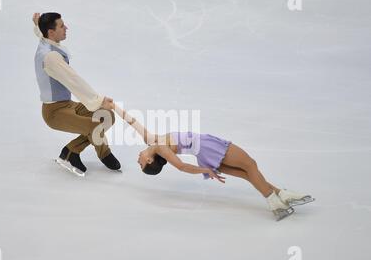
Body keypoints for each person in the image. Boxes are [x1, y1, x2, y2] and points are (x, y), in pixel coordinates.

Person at [112, 104, 314, 221]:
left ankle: (281, 195)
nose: (138, 161)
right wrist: (205, 169)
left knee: (246, 173)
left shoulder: (152, 141)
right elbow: (181, 166)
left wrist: (113, 107)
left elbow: (131, 121)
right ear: (150, 160)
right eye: (141, 164)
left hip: (204, 153)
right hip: (207, 148)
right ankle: (275, 201)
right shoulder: (161, 149)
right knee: (250, 165)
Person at [32, 12, 121, 175]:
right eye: (61, 26)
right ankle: (104, 153)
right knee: (94, 125)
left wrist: (38, 24)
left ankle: (70, 151)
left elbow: (41, 33)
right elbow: (74, 81)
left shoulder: (46, 40)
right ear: (51, 32)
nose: (66, 28)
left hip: (68, 105)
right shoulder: (51, 57)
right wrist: (99, 100)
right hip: (54, 112)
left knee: (107, 116)